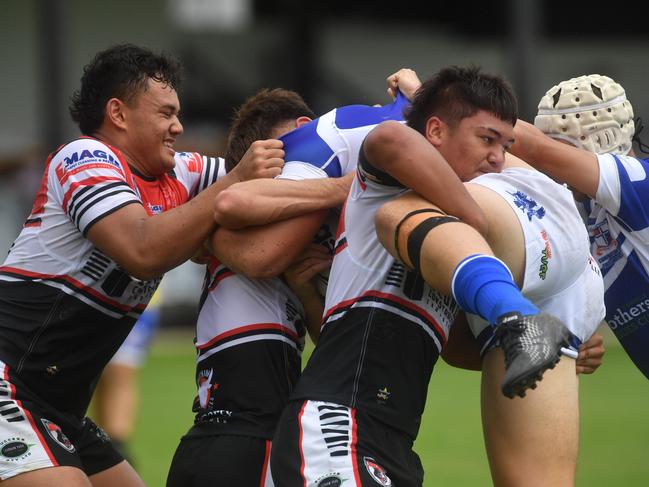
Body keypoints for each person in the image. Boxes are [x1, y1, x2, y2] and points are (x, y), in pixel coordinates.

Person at [268, 66, 574, 486]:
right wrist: (475, 218)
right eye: (486, 139)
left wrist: (547, 344)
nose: (498, 159)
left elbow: (459, 351)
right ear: (434, 130)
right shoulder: (389, 183)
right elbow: (389, 139)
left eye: (505, 145)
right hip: (339, 422)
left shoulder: (453, 250)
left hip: (391, 439)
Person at [0, 44, 280, 487]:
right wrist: (235, 182)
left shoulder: (182, 174)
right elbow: (142, 250)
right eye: (166, 113)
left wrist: (381, 131)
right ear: (118, 113)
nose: (178, 126)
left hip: (56, 406)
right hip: (7, 383)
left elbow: (269, 179)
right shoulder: (84, 158)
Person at [166, 87, 409, 486]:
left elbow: (325, 337)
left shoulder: (308, 216)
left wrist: (304, 290)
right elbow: (260, 256)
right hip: (242, 431)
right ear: (303, 129)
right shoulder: (232, 187)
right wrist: (346, 186)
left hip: (240, 427)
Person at [512, 73, 649, 379]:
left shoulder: (639, 184)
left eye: (562, 148)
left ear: (603, 140)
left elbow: (532, 147)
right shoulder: (584, 209)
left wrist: (445, 104)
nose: (552, 165)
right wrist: (583, 331)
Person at [91, 288, 163, 464]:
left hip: (136, 295)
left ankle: (116, 451)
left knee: (120, 370)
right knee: (96, 374)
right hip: (83, 290)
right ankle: (100, 446)